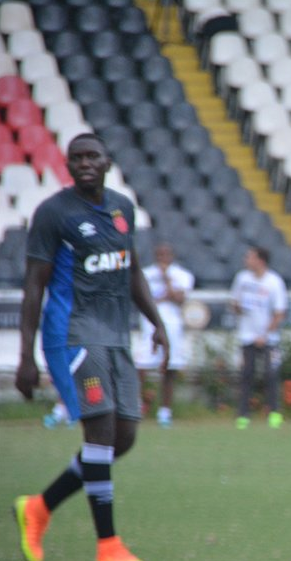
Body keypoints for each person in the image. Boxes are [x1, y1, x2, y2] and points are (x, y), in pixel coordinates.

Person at [13, 133, 169, 561]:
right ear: (68, 164)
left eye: (92, 156)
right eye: (76, 157)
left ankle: (38, 508)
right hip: (73, 334)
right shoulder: (53, 214)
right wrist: (25, 356)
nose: (84, 163)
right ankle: (109, 546)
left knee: (124, 438)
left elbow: (131, 268)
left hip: (117, 334)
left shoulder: (123, 207)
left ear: (107, 161)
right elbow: (33, 287)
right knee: (100, 432)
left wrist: (156, 322)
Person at [135, 242, 195, 427]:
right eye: (159, 255)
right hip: (149, 325)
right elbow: (141, 298)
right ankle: (136, 408)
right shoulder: (145, 273)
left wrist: (166, 279)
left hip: (172, 326)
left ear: (172, 256)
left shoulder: (182, 275)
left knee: (169, 368)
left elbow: (179, 299)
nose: (163, 259)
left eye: (166, 255)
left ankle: (165, 412)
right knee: (141, 366)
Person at [229, 245, 288, 430]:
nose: (246, 260)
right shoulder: (242, 278)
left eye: (250, 257)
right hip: (247, 336)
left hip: (269, 339)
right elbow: (234, 303)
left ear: (260, 260)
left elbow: (279, 312)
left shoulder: (274, 282)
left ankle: (274, 413)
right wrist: (237, 307)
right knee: (246, 375)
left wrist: (266, 334)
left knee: (271, 375)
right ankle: (243, 416)